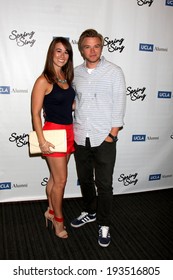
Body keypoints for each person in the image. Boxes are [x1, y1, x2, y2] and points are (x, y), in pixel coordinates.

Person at [71, 29, 126, 247]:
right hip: (80, 134)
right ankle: (89, 211)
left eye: (96, 46)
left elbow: (120, 104)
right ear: (81, 49)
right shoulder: (75, 73)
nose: (92, 51)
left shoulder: (114, 71)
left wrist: (112, 135)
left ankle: (104, 224)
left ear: (101, 47)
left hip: (104, 136)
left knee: (104, 185)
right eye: (87, 46)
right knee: (85, 179)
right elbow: (76, 101)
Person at [31, 37, 75, 239]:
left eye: (66, 52)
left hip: (68, 132)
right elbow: (35, 113)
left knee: (54, 178)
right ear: (51, 53)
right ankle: (58, 221)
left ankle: (50, 211)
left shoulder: (65, 77)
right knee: (61, 181)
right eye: (58, 51)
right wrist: (41, 141)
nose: (62, 55)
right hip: (52, 134)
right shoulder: (44, 80)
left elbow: (66, 105)